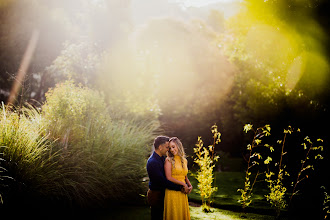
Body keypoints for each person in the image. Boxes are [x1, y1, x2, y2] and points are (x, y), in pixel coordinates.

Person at [146, 136, 189, 220]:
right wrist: (180, 187)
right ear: (160, 147)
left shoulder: (161, 158)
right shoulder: (153, 162)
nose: (168, 150)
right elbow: (162, 181)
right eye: (167, 147)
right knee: (157, 217)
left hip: (163, 192)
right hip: (156, 194)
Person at [163, 137, 192, 220]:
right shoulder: (168, 160)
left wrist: (190, 185)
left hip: (182, 192)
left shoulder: (184, 160)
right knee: (174, 215)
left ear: (178, 146)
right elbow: (168, 177)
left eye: (173, 147)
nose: (171, 150)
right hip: (172, 192)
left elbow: (184, 175)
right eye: (170, 148)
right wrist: (183, 184)